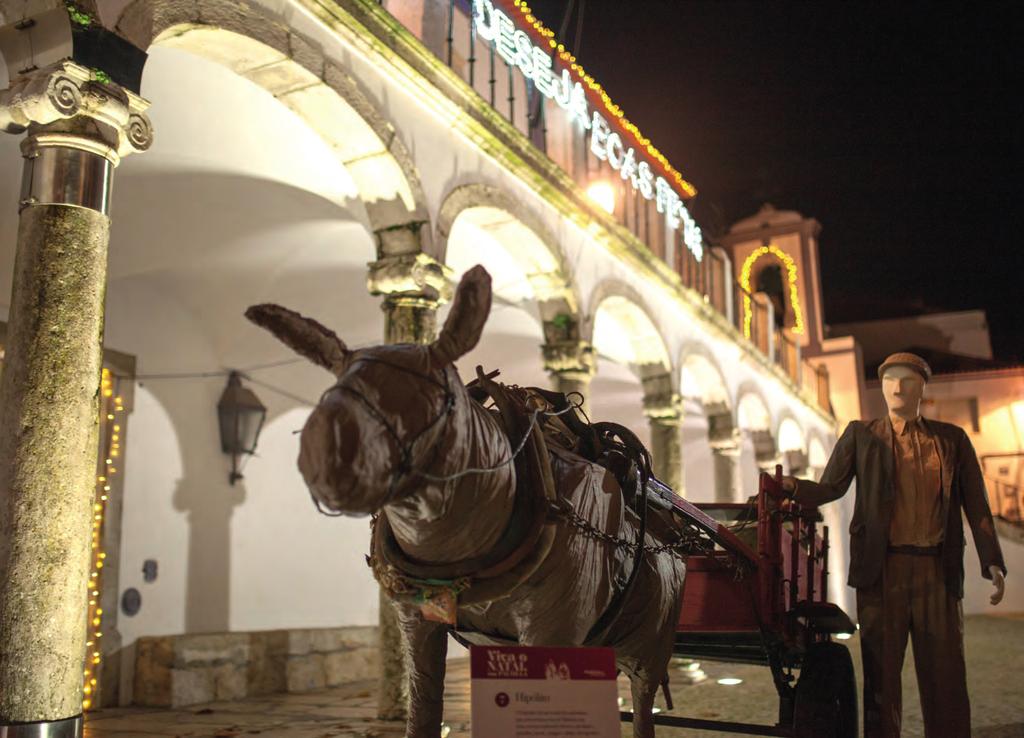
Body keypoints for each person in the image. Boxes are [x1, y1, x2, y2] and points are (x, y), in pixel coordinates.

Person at [782, 352, 1006, 738]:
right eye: (889, 380)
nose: (897, 387)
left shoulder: (952, 440)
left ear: (923, 387)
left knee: (946, 675)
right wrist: (792, 490)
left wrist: (992, 562)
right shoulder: (861, 434)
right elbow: (831, 487)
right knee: (881, 679)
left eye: (907, 380)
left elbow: (977, 505)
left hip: (938, 571)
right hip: (882, 572)